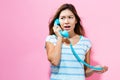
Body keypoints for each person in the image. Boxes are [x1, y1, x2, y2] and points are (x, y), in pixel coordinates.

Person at [45, 3, 108, 80]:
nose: (66, 21)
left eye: (70, 17)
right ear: (57, 21)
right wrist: (60, 37)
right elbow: (54, 61)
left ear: (76, 20)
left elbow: (84, 72)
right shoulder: (51, 39)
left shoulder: (85, 43)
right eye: (62, 18)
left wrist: (93, 69)